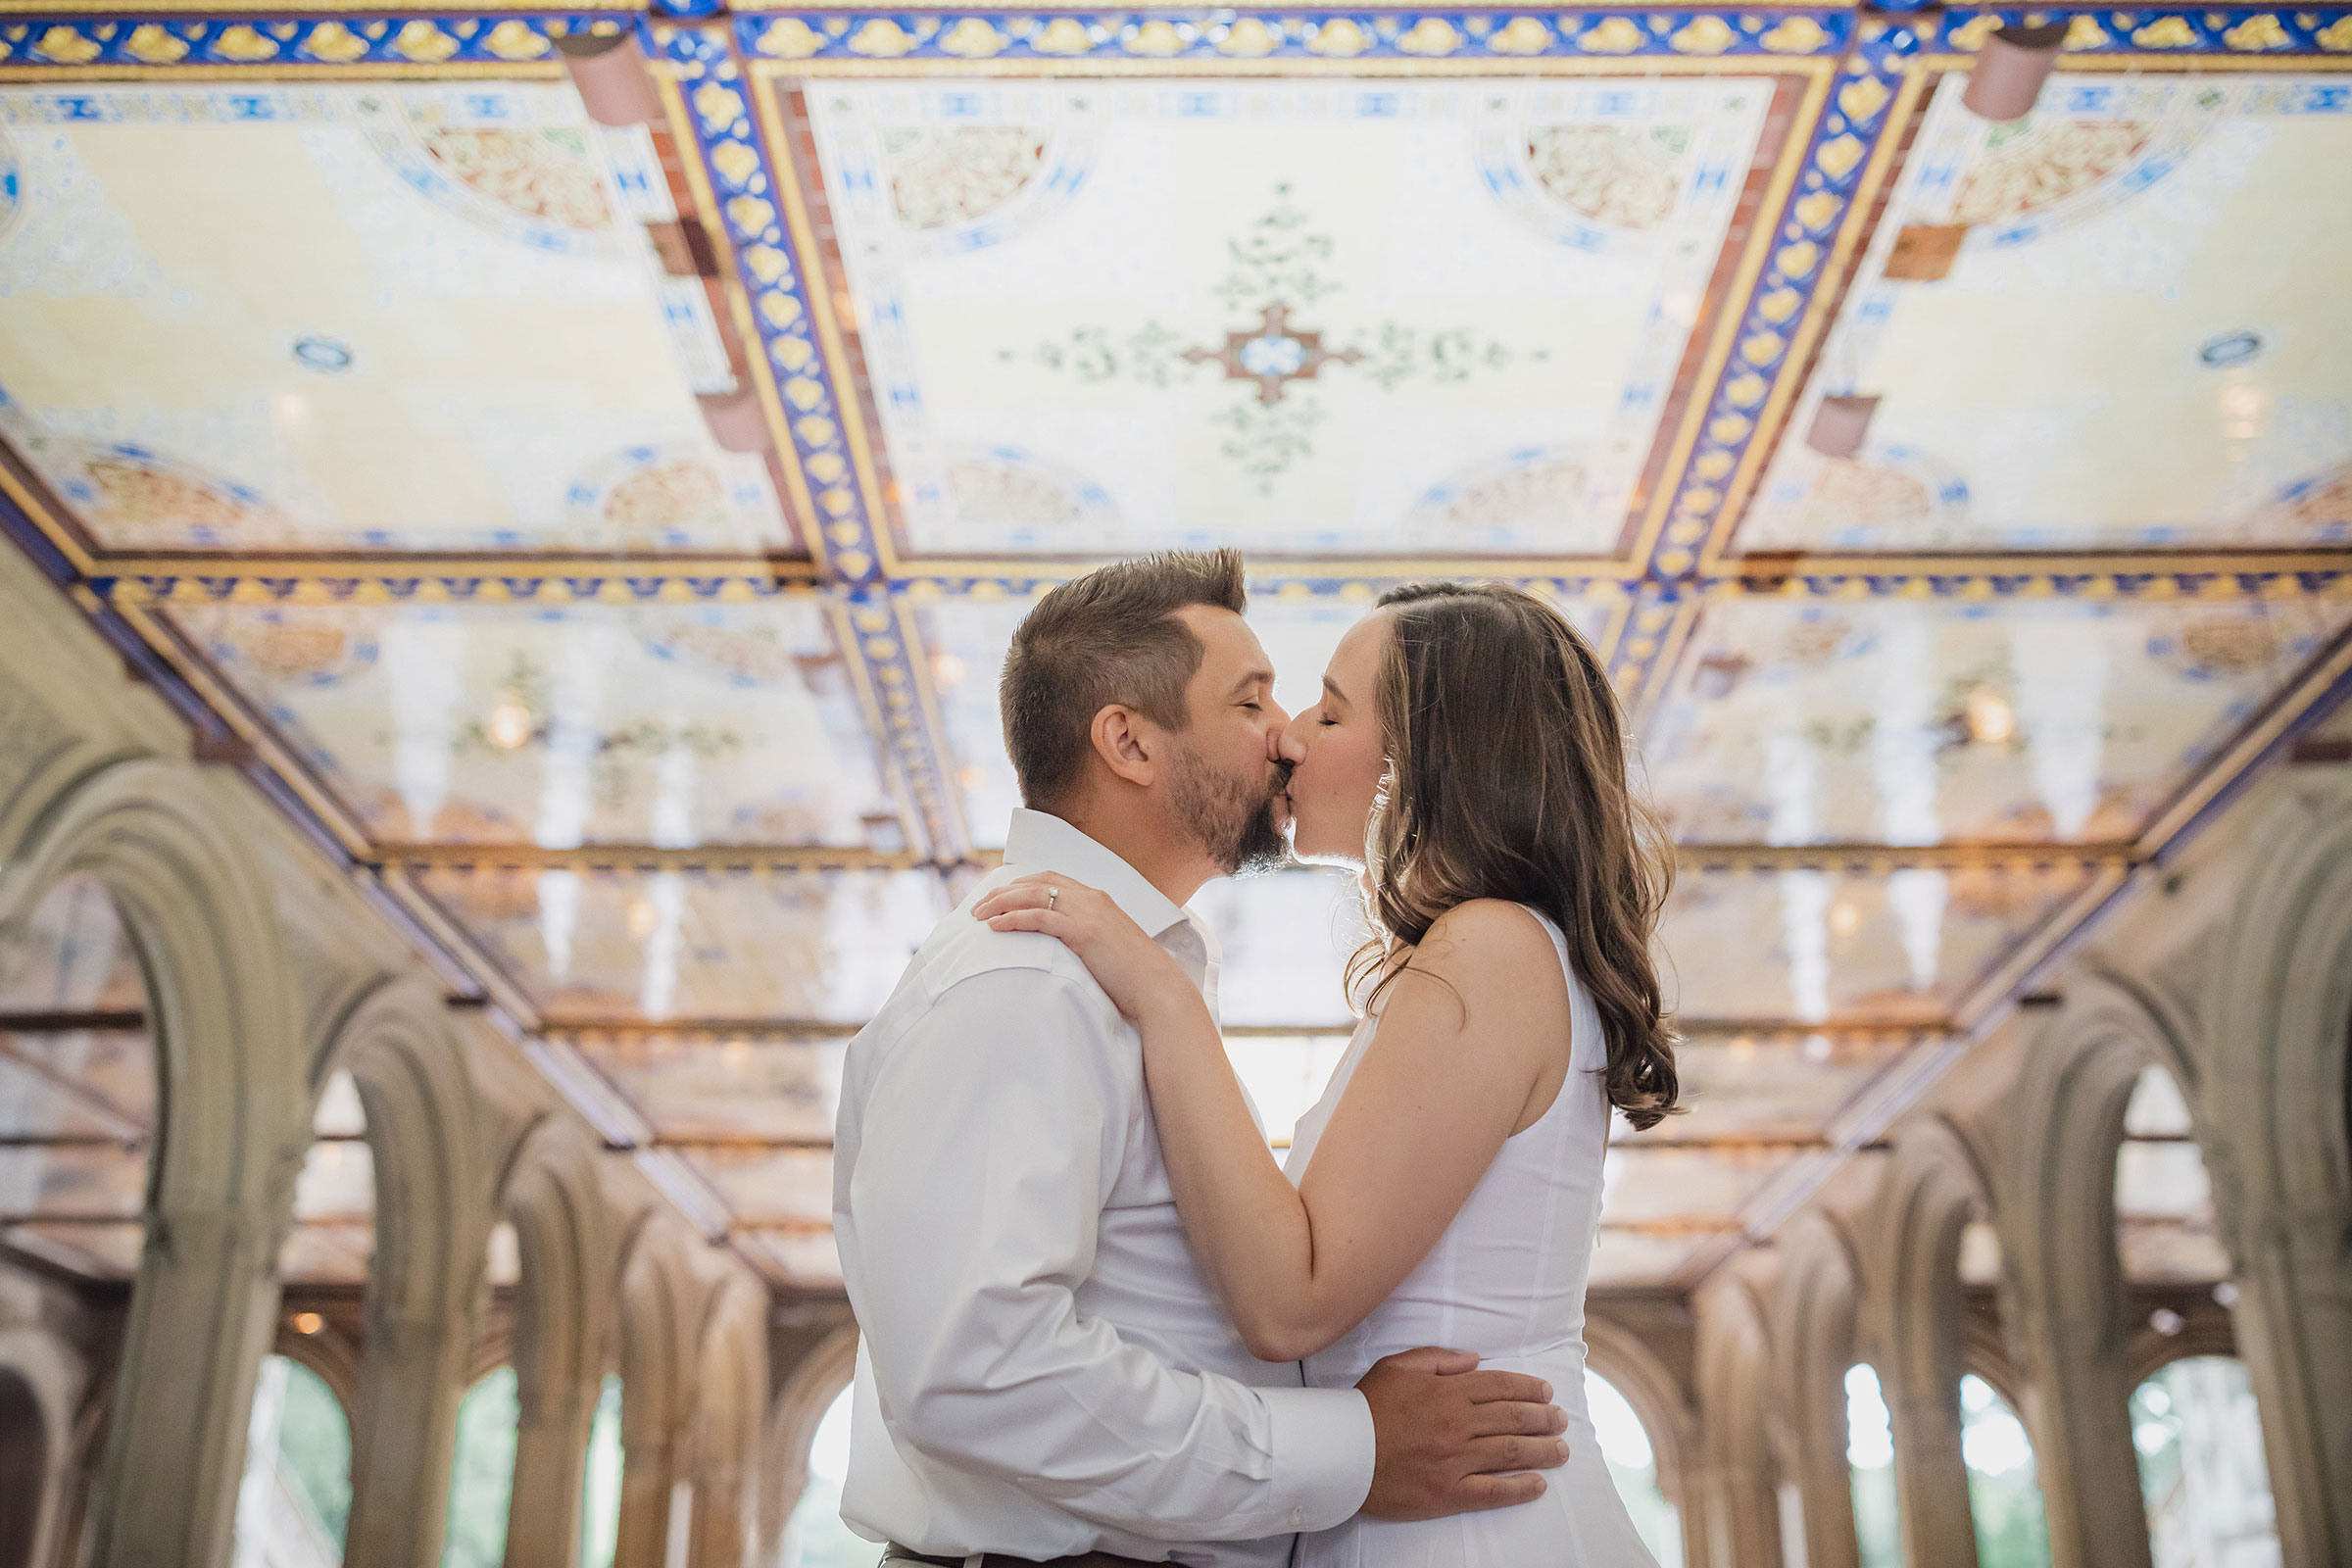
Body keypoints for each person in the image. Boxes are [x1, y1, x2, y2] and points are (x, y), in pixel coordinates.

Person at [833, 552, 1573, 1568]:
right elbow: (976, 1369)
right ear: (1129, 741)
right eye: (1254, 699)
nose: (1284, 737)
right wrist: (1348, 1449)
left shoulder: (1107, 971)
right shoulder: (1025, 977)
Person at [976, 580, 1679, 1565]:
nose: (1293, 737)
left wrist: (1162, 994)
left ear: (1431, 758)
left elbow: (1290, 1298)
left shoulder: (1493, 947)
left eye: (1333, 709)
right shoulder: (1485, 952)